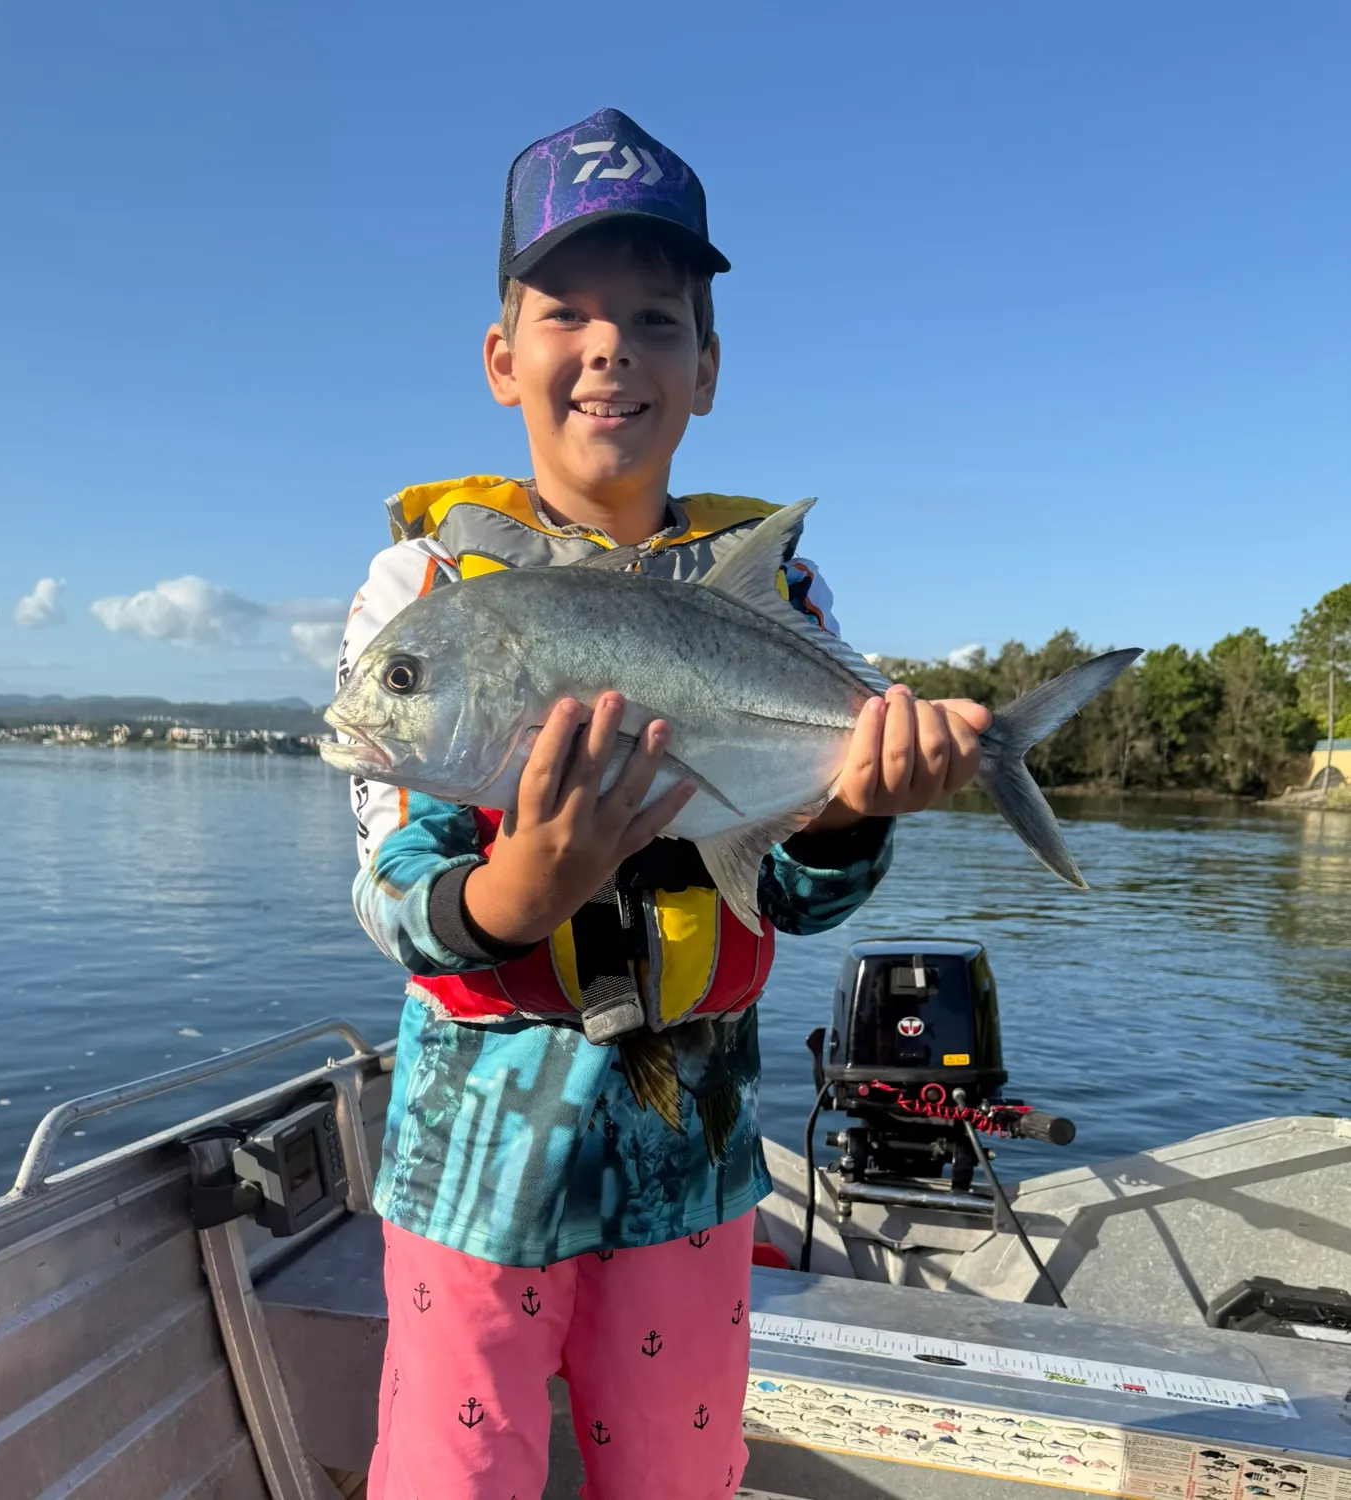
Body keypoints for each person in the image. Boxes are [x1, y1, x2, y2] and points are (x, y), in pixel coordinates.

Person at [335, 106, 992, 1500]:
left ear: (707, 368)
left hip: (692, 1166)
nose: (610, 348)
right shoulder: (424, 595)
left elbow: (797, 894)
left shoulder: (782, 596)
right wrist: (523, 890)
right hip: (474, 1166)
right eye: (566, 312)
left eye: (653, 318)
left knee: (680, 1481)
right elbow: (395, 897)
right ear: (502, 357)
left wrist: (857, 811)